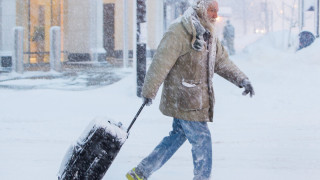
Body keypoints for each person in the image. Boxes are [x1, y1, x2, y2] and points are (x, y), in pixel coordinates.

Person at [126, 0, 254, 179]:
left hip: (194, 98)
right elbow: (161, 62)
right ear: (201, 9)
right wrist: (149, 91)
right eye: (211, 10)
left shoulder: (209, 34)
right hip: (185, 98)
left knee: (176, 137)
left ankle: (140, 172)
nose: (215, 15)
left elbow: (221, 61)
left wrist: (241, 79)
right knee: (202, 141)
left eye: (216, 11)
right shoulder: (179, 30)